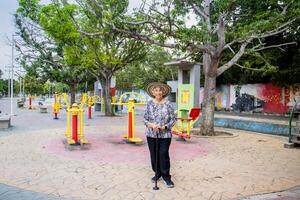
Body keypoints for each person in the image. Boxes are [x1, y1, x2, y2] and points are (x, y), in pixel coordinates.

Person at [144, 82, 176, 188]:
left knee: (163, 154)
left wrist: (165, 127)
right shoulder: (149, 103)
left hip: (165, 135)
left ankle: (166, 177)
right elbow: (145, 119)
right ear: (152, 92)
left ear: (163, 92)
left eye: (160, 90)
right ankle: (157, 174)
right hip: (151, 134)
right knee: (154, 155)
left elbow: (173, 119)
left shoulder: (168, 104)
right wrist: (151, 125)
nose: (158, 92)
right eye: (156, 90)